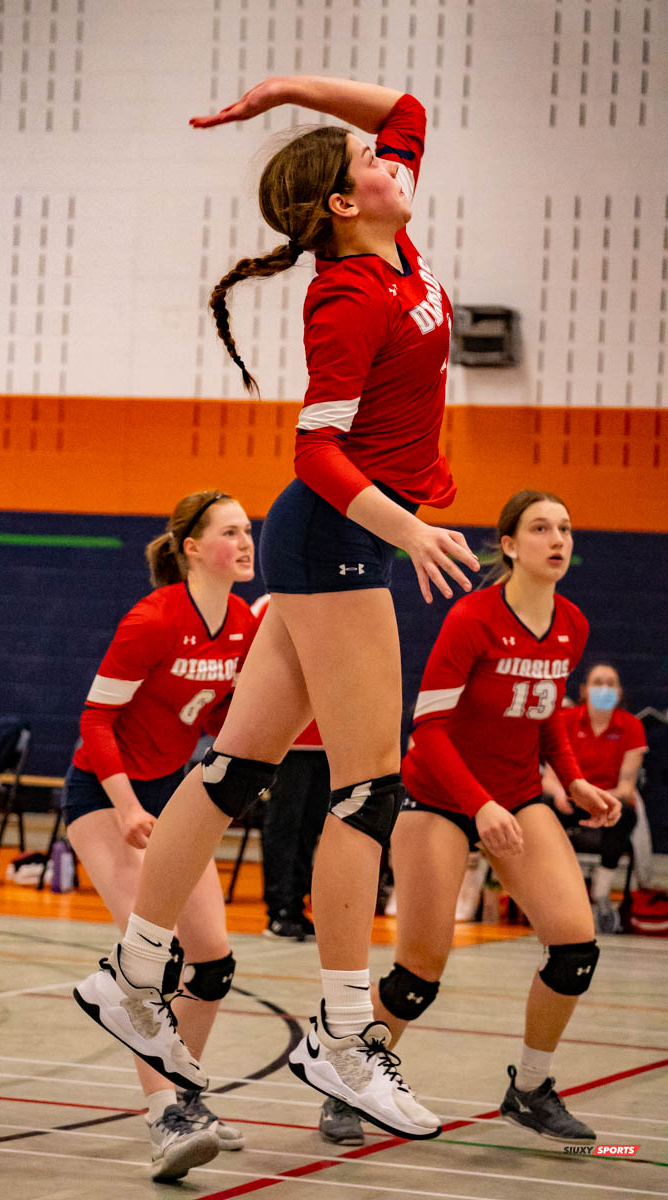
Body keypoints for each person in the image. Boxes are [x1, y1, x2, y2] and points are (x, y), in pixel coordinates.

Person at [74, 74, 481, 1141]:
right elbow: (313, 449)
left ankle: (129, 976)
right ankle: (343, 1041)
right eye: (363, 163)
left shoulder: (391, 246)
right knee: (366, 793)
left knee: (231, 770)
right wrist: (407, 529)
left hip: (339, 538)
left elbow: (405, 108)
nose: (385, 156)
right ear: (345, 205)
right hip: (339, 536)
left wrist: (282, 93)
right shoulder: (346, 295)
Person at [354, 490, 622, 1146]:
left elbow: (546, 713)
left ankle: (530, 1088)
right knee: (419, 971)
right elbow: (429, 728)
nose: (556, 539)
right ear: (508, 544)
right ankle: (353, 1074)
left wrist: (576, 779)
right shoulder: (473, 618)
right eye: (539, 528)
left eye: (564, 527)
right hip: (439, 799)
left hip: (517, 798)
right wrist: (479, 805)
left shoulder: (571, 624)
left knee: (575, 949)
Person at [65, 489, 256, 1182]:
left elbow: (228, 713)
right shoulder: (152, 619)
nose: (245, 541)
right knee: (154, 962)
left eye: (248, 530)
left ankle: (189, 1095)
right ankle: (164, 1119)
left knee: (213, 963)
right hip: (104, 793)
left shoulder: (242, 622)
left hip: (171, 794)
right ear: (192, 547)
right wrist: (122, 807)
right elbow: (94, 720)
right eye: (230, 531)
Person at [543, 663, 648, 933]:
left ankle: (600, 895)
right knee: (542, 808)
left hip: (607, 802)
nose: (604, 688)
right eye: (598, 682)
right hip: (571, 801)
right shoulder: (565, 719)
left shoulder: (631, 726)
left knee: (626, 813)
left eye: (611, 683)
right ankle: (558, 892)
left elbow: (626, 787)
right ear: (584, 690)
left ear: (620, 691)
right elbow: (550, 777)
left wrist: (597, 799)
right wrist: (558, 794)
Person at [250, 593, 328, 944]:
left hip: (329, 739)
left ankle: (297, 907)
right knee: (284, 824)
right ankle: (279, 910)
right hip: (288, 742)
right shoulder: (270, 605)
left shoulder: (347, 603)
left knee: (310, 827)